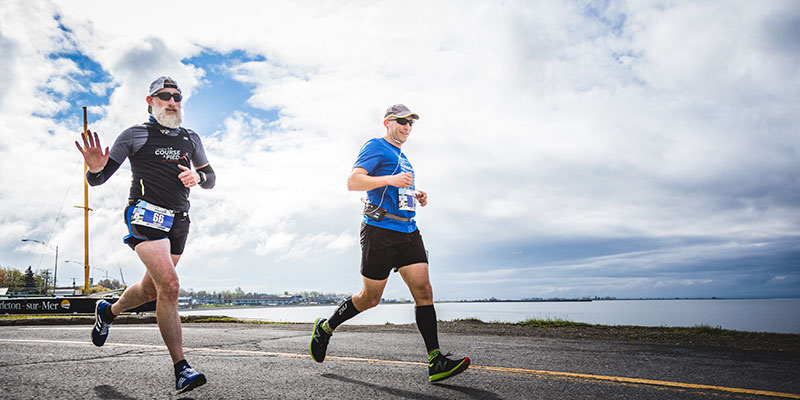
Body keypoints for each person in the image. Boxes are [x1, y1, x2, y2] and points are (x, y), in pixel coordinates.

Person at [309, 104, 470, 383]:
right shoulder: (375, 146)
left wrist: (416, 195)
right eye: (402, 121)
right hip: (379, 231)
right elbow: (353, 181)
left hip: (408, 231)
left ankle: (436, 360)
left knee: (424, 291)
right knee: (370, 299)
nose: (407, 127)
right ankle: (326, 327)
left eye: (411, 123)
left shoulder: (405, 158)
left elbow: (397, 190)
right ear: (387, 122)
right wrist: (391, 179)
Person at [75, 76, 216, 394]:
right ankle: (182, 369)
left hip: (179, 221)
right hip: (145, 215)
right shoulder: (135, 134)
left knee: (151, 289)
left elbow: (211, 177)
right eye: (165, 95)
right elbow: (98, 179)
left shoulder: (191, 138)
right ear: (150, 101)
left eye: (177, 96)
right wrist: (94, 169)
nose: (173, 101)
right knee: (170, 286)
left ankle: (107, 311)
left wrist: (198, 175)